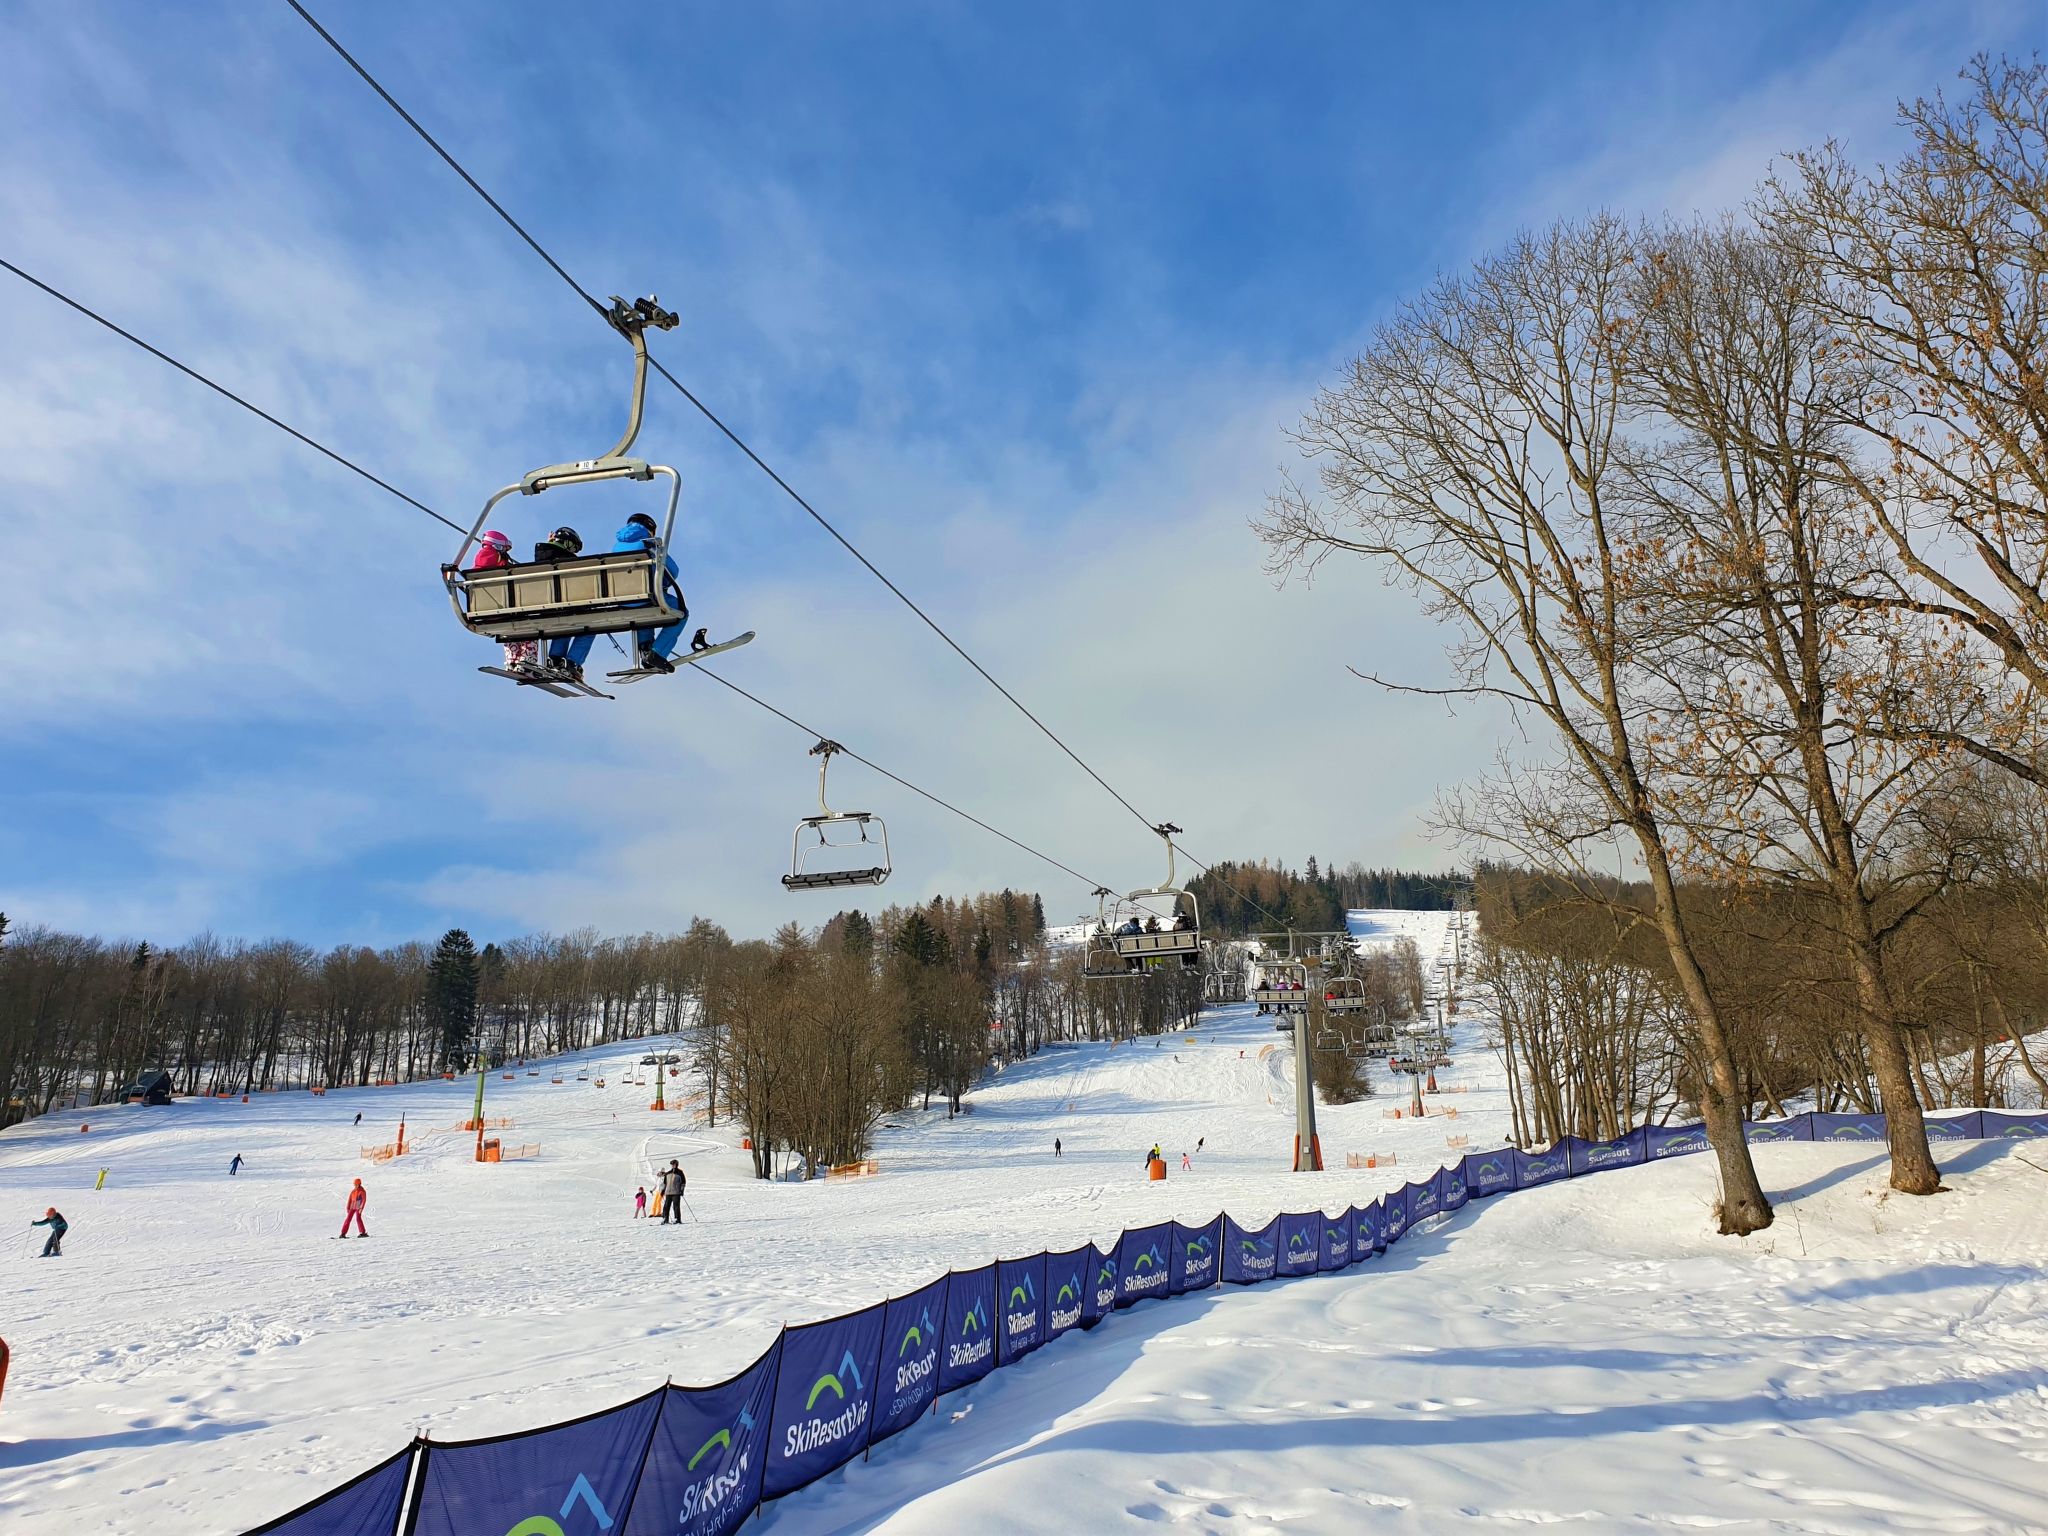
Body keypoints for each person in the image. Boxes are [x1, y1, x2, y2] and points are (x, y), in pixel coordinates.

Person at [610, 512, 692, 674]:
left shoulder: (616, 547)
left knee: (643, 614)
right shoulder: (649, 543)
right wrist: (663, 583)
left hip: (621, 599)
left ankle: (645, 648)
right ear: (650, 529)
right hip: (646, 596)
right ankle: (657, 652)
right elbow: (672, 571)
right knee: (681, 612)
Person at [532, 527, 595, 681]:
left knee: (564, 621)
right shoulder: (572, 563)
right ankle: (572, 663)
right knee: (590, 626)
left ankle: (555, 659)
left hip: (543, 609)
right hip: (568, 607)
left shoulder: (540, 557)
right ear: (568, 544)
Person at [470, 530, 538, 671]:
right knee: (529, 625)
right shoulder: (494, 558)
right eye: (504, 549)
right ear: (497, 546)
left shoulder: (482, 562)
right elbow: (502, 575)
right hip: (503, 604)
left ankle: (512, 660)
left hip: (487, 607)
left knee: (509, 630)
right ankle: (528, 657)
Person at [660, 1159, 687, 1224]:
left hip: (676, 1192)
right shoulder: (668, 1173)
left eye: (674, 1164)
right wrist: (663, 1190)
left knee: (676, 1206)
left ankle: (677, 1219)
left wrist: (681, 1190)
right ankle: (665, 1219)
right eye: (672, 1164)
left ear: (677, 1165)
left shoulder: (680, 1173)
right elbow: (664, 1183)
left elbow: (683, 1183)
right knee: (666, 1206)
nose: (673, 1165)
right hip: (668, 1192)